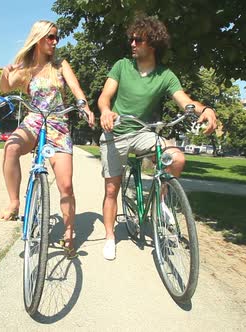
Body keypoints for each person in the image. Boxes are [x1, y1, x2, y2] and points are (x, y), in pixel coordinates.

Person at [97, 15, 217, 260]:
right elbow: (104, 97)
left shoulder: (165, 75)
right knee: (112, 190)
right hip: (116, 133)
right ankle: (110, 237)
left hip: (143, 132)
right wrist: (106, 111)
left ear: (152, 43)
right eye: (131, 38)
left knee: (176, 158)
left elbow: (185, 101)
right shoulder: (121, 65)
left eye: (138, 39)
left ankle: (161, 203)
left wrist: (204, 109)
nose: (132, 43)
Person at [0, 20, 95, 259]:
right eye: (50, 37)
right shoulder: (26, 68)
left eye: (56, 37)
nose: (54, 41)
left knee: (66, 185)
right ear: (38, 38)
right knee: (11, 147)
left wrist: (84, 106)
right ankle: (13, 202)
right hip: (33, 121)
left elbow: (76, 89)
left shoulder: (60, 65)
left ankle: (69, 231)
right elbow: (5, 88)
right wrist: (4, 75)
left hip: (58, 126)